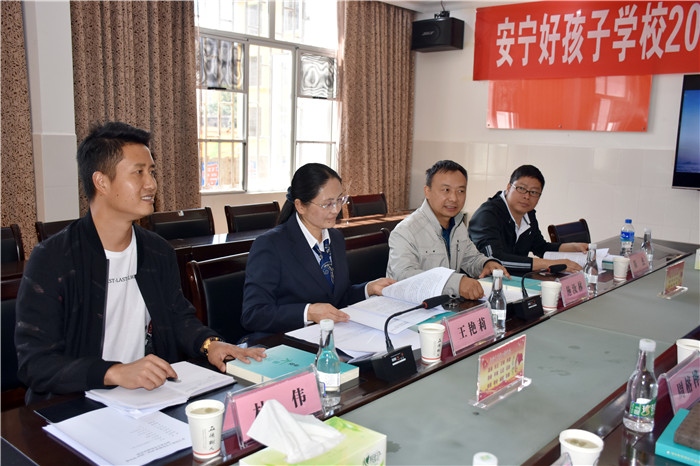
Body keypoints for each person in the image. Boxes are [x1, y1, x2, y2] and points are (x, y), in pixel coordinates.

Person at [15, 122, 265, 404]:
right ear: (101, 182)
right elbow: (35, 364)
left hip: (146, 396)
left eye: (152, 172)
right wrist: (114, 372)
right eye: (139, 172)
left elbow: (178, 317)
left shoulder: (157, 250)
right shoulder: (53, 259)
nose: (152, 184)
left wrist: (211, 344)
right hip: (76, 401)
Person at [241, 163, 394, 336]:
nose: (336, 210)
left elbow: (337, 297)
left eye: (339, 200)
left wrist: (368, 289)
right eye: (327, 204)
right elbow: (253, 314)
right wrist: (308, 312)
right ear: (300, 206)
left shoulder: (335, 238)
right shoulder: (271, 245)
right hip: (286, 338)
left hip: (329, 335)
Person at [386, 160, 509, 300]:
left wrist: (486, 264)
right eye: (446, 190)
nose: (454, 198)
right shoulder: (405, 231)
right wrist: (456, 283)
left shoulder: (457, 225)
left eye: (460, 191)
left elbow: (470, 258)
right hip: (409, 306)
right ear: (427, 191)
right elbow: (404, 277)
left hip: (445, 304)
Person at [468, 164, 588, 275]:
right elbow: (495, 259)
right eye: (521, 188)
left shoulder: (528, 214)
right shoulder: (487, 215)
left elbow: (540, 247)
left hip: (514, 280)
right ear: (509, 187)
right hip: (482, 282)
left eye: (534, 192)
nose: (527, 196)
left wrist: (574, 247)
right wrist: (550, 264)